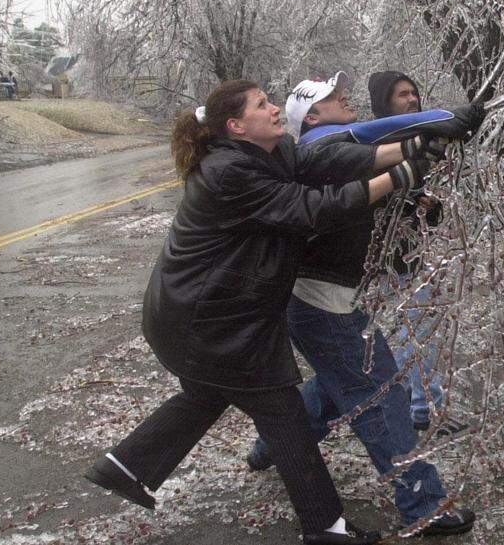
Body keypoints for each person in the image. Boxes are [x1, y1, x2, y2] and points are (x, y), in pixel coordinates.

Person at [82, 79, 437, 545]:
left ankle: (125, 466)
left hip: (210, 318)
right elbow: (311, 210)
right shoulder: (230, 171)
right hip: (207, 323)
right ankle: (328, 528)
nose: (274, 108)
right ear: (236, 126)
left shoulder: (272, 154)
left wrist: (407, 144)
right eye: (262, 104)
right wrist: (400, 176)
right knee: (284, 417)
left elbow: (325, 159)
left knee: (206, 397)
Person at [245, 71, 483, 537]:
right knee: (384, 395)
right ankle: (424, 505)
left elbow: (377, 181)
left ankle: (273, 444)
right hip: (323, 305)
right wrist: (438, 123)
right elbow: (366, 148)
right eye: (333, 96)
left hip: (322, 303)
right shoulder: (321, 145)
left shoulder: (319, 150)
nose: (344, 97)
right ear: (312, 115)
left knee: (340, 385)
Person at [367, 71, 465, 435]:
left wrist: (429, 206)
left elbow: (420, 202)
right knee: (411, 334)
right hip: (384, 261)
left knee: (414, 332)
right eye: (402, 95)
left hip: (410, 253)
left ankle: (421, 406)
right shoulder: (377, 145)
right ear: (384, 102)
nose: (411, 100)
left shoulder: (415, 140)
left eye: (414, 93)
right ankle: (424, 409)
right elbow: (368, 197)